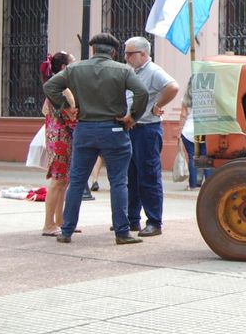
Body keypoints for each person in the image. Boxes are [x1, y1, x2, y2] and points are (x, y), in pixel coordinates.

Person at [43, 33, 149, 245]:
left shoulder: (75, 69)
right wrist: (132, 117)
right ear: (112, 52)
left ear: (93, 50)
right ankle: (122, 232)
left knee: (76, 182)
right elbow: (142, 92)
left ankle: (66, 231)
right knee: (119, 182)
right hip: (114, 131)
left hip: (85, 130)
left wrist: (67, 108)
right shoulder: (123, 70)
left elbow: (50, 87)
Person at [123, 36, 179, 237]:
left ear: (143, 54)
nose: (126, 57)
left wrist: (157, 106)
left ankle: (154, 221)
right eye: (126, 53)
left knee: (148, 176)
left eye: (130, 53)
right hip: (132, 128)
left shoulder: (153, 71)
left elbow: (172, 87)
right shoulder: (133, 71)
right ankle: (132, 219)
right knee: (131, 176)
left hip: (147, 129)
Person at [39, 52, 77, 237]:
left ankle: (59, 221)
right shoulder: (60, 88)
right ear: (64, 67)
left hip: (60, 136)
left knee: (62, 181)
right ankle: (48, 224)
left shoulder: (59, 86)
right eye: (72, 62)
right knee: (58, 181)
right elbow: (70, 113)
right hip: (61, 137)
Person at [179, 81, 209, 190]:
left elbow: (183, 115)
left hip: (188, 130)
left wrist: (179, 132)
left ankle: (193, 185)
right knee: (205, 157)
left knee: (192, 157)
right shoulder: (208, 98)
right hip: (204, 129)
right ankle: (209, 185)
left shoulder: (186, 97)